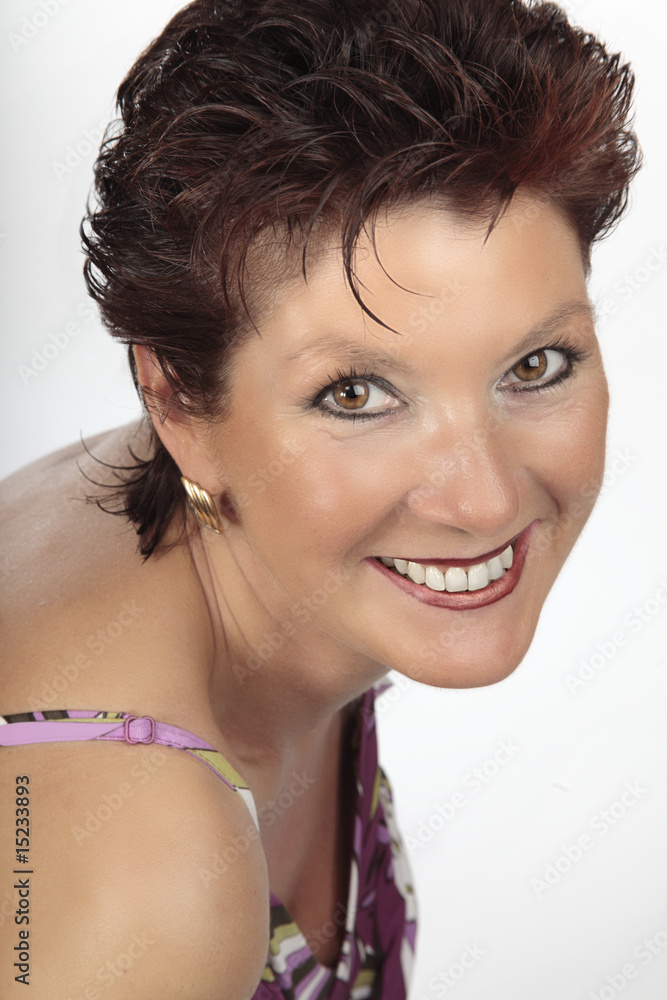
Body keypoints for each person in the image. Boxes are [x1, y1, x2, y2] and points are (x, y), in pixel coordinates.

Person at [0, 0, 641, 997]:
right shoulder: (137, 880)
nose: (481, 500)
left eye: (534, 364)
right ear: (175, 398)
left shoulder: (229, 511)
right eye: (356, 395)